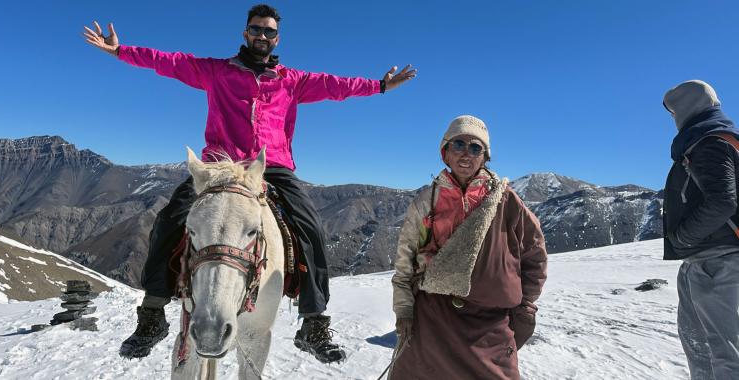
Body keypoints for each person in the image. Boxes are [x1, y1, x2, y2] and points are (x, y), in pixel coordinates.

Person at [82, 4, 416, 363]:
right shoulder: (217, 72)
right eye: (256, 29)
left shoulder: (293, 81)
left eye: (269, 31)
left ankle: (313, 324)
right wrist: (120, 51)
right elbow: (170, 62)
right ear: (245, 33)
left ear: (277, 38)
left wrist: (380, 86)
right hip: (220, 165)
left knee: (310, 227)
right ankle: (151, 315)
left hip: (272, 168)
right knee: (170, 217)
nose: (262, 36)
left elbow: (338, 86)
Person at [389, 115, 548, 379]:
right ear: (445, 153)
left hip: (491, 325)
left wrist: (525, 303)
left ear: (485, 157)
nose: (466, 153)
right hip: (433, 319)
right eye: (458, 144)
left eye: (476, 148)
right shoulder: (426, 202)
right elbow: (405, 262)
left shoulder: (505, 201)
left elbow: (534, 254)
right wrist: (404, 310)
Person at [662, 80, 739, 380]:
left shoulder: (711, 142)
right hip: (704, 260)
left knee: (723, 350)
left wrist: (683, 237)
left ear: (688, 108)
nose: (673, 118)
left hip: (718, 262)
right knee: (699, 344)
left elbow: (723, 201)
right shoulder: (707, 141)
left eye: (674, 111)